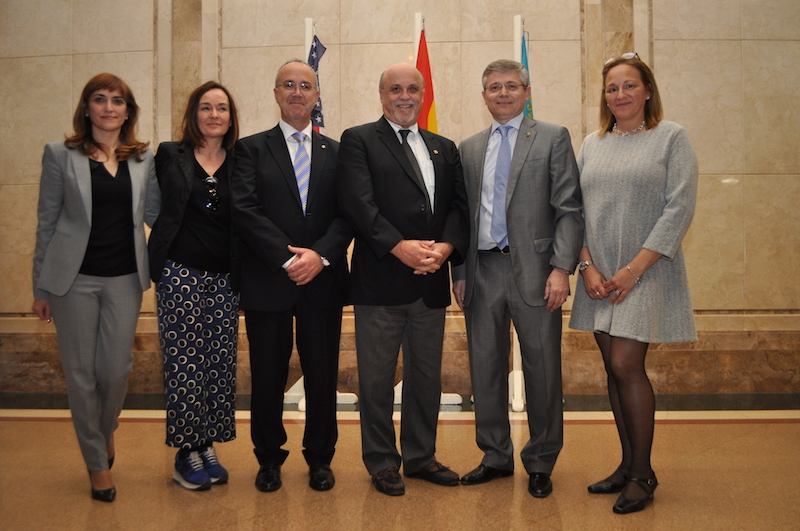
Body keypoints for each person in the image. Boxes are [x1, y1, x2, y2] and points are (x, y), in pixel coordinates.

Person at [569, 52, 698, 514]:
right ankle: (628, 464)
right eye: (611, 88)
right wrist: (587, 267)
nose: (620, 94)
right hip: (599, 276)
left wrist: (632, 269)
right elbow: (575, 211)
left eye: (628, 85)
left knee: (626, 364)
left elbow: (678, 208)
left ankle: (643, 473)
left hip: (645, 272)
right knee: (614, 369)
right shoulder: (593, 143)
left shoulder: (671, 138)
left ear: (647, 91)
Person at [452, 59, 583, 498]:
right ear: (484, 95)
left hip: (537, 273)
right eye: (494, 87)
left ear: (527, 91)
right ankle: (494, 456)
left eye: (511, 86)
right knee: (484, 369)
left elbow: (569, 209)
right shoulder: (468, 148)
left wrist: (562, 269)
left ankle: (541, 460)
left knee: (542, 370)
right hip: (482, 271)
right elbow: (460, 217)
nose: (503, 93)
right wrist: (460, 271)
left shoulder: (552, 137)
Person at [337, 62, 469, 496]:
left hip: (430, 281)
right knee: (375, 381)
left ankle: (420, 456)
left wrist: (446, 249)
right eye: (396, 88)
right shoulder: (359, 141)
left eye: (413, 88)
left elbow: (456, 207)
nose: (405, 96)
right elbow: (359, 204)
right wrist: (400, 247)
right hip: (381, 282)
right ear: (382, 95)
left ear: (424, 94)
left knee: (426, 379)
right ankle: (381, 461)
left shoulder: (443, 146)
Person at [31, 73, 160, 502]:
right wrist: (41, 288)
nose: (109, 107)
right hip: (72, 282)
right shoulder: (60, 155)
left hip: (125, 279)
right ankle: (96, 463)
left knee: (115, 370)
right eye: (99, 100)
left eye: (117, 101)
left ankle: (102, 434)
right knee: (81, 375)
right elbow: (47, 224)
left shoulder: (143, 159)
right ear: (86, 108)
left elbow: (160, 215)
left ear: (128, 111)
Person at [230, 60, 351, 493]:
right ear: (276, 93)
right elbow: (244, 210)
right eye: (289, 85)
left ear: (317, 96)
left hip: (323, 280)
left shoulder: (339, 152)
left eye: (306, 86)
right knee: (267, 375)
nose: (297, 92)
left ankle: (320, 458)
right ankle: (268, 458)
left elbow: (348, 214)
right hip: (268, 280)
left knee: (322, 375)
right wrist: (288, 259)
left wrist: (319, 256)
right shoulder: (249, 149)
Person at [147, 82, 240, 491]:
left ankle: (207, 444)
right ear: (193, 113)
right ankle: (186, 452)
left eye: (222, 108)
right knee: (184, 363)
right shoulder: (170, 154)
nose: (214, 114)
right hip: (179, 273)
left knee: (218, 363)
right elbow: (152, 204)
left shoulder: (241, 160)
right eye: (206, 107)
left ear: (231, 116)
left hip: (225, 278)